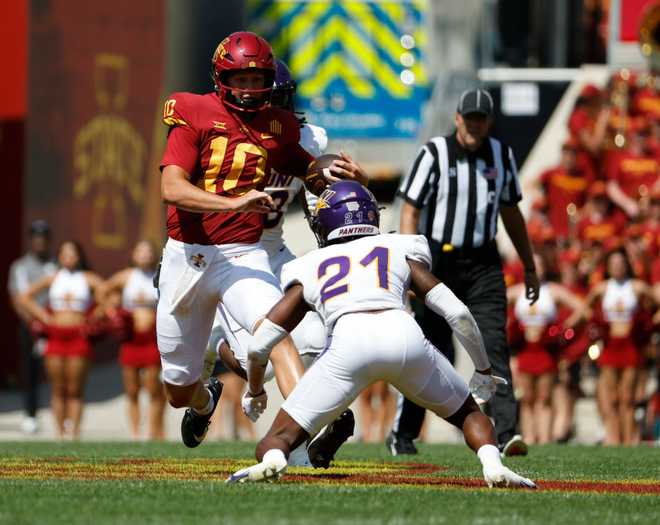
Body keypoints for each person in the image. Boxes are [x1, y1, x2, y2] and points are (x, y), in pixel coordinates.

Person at [227, 181, 535, 489]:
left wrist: (255, 389)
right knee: (471, 415)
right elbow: (458, 313)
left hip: (348, 343)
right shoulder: (399, 247)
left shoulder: (309, 264)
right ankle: (493, 465)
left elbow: (259, 344)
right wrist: (483, 369)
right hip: (403, 336)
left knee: (276, 440)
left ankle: (274, 461)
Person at [157, 31, 364, 449]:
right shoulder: (193, 112)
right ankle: (204, 403)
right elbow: (172, 189)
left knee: (276, 333)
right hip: (188, 256)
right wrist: (232, 204)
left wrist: (343, 179)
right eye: (242, 79)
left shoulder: (278, 124)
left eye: (258, 80)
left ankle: (302, 442)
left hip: (244, 255)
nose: (251, 89)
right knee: (178, 389)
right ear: (222, 77)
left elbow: (308, 172)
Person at [393, 88, 540, 456]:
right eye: (469, 117)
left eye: (481, 118)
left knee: (494, 344)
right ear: (457, 118)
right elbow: (410, 209)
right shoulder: (434, 154)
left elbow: (511, 212)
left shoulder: (501, 155)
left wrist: (529, 264)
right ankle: (403, 433)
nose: (474, 124)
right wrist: (411, 265)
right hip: (438, 261)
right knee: (428, 348)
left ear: (489, 121)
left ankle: (506, 433)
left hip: (484, 262)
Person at [19, 241, 104, 439]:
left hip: (78, 335)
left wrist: (95, 316)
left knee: (75, 389)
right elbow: (25, 297)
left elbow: (110, 295)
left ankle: (73, 434)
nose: (69, 257)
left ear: (79, 256)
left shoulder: (88, 278)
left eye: (72, 253)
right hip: (56, 335)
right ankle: (59, 436)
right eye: (64, 253)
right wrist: (43, 316)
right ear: (59, 256)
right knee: (57, 388)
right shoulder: (53, 278)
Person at [580, 249, 657, 445]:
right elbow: (585, 308)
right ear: (608, 267)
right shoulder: (602, 288)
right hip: (610, 345)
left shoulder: (637, 286)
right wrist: (594, 323)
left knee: (627, 396)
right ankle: (613, 438)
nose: (617, 267)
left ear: (626, 265)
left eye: (620, 263)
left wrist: (653, 322)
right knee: (611, 397)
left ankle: (629, 438)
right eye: (613, 264)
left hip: (629, 345)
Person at [507, 253, 584, 444]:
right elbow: (492, 306)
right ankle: (529, 437)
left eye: (538, 265)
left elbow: (582, 308)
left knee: (544, 396)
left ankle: (544, 438)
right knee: (526, 397)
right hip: (525, 349)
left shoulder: (554, 291)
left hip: (545, 350)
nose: (534, 269)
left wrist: (564, 329)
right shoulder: (517, 291)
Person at [100, 240, 166, 440]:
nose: (144, 254)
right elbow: (102, 290)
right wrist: (111, 311)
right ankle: (136, 432)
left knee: (153, 386)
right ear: (133, 254)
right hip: (131, 338)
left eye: (148, 251)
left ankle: (153, 430)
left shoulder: (161, 275)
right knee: (132, 389)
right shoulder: (126, 276)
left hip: (152, 338)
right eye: (140, 251)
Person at [7, 220, 57, 434]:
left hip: (56, 326)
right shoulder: (21, 266)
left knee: (59, 373)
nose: (40, 241)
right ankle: (30, 414)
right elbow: (17, 298)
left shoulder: (57, 264)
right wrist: (33, 322)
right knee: (30, 372)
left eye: (44, 237)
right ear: (31, 240)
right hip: (31, 326)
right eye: (36, 237)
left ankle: (60, 415)